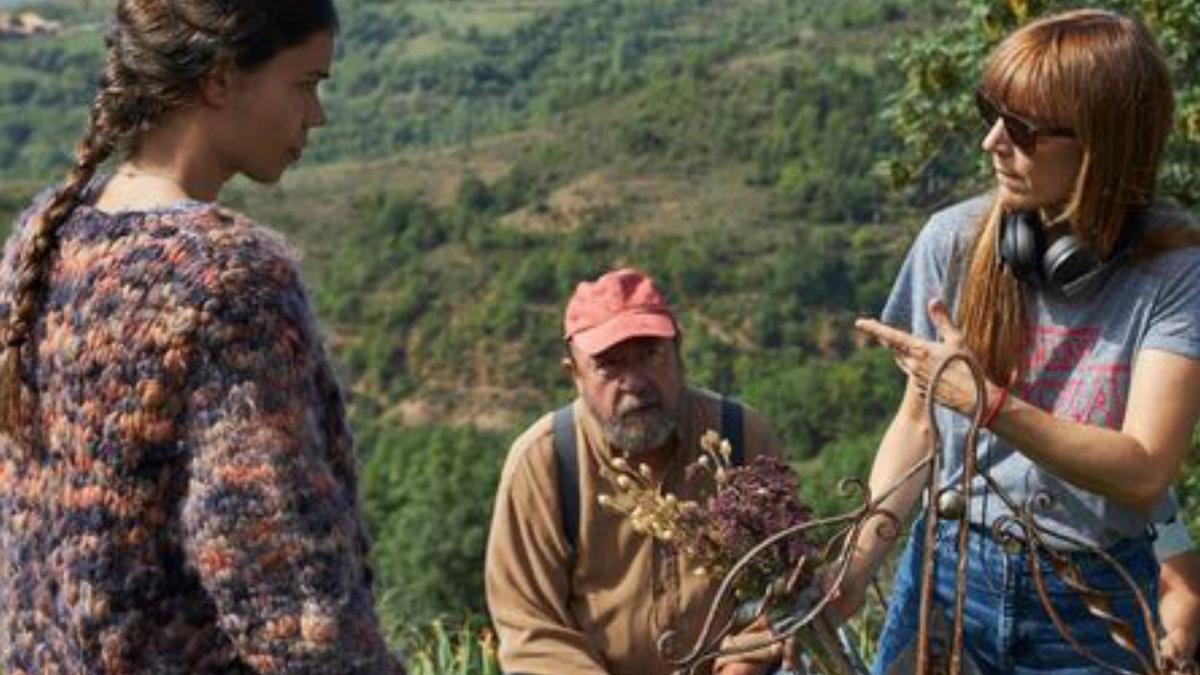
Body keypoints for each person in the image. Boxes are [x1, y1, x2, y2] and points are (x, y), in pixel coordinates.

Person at [0, 1, 405, 673]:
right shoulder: (228, 276)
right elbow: (282, 582)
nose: (317, 115)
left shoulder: (47, 235)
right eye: (305, 84)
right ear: (220, 80)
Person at [841, 9, 1200, 674]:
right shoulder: (952, 241)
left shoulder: (1175, 273)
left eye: (1025, 129)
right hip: (947, 576)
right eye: (992, 112)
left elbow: (1146, 467)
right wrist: (855, 567)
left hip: (1093, 605)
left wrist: (989, 402)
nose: (992, 142)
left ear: (1104, 145)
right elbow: (919, 426)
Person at [485, 267, 785, 675]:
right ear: (574, 374)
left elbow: (786, 585)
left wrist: (745, 661)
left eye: (649, 354)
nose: (635, 383)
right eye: (609, 366)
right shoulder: (546, 462)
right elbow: (531, 631)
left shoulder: (740, 438)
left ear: (677, 350)